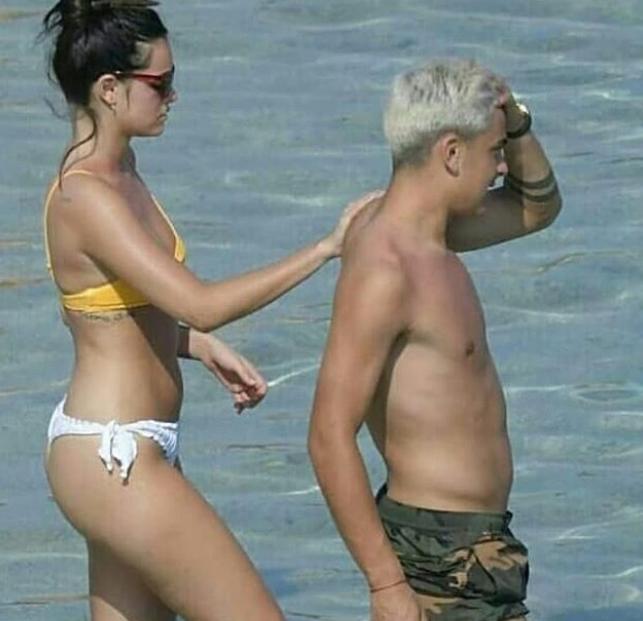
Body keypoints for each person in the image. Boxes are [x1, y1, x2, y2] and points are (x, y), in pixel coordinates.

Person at [39, 1, 379, 620]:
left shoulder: (121, 170)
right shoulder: (84, 196)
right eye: (160, 83)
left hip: (122, 452)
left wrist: (193, 345)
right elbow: (200, 302)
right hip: (115, 454)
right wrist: (328, 248)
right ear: (110, 89)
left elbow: (99, 313)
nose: (173, 96)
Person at [308, 58, 563, 621]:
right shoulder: (387, 268)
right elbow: (328, 435)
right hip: (439, 556)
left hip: (477, 547)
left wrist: (517, 122)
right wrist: (386, 586)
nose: (502, 166)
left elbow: (538, 205)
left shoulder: (433, 235)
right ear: (451, 153)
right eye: (495, 151)